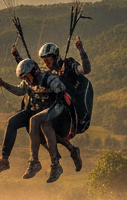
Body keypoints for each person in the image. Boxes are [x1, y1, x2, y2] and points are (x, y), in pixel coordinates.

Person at [0, 57, 68, 183]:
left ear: (34, 72)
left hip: (52, 109)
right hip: (34, 110)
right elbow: (20, 91)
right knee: (12, 122)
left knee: (34, 120)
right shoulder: (28, 82)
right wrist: (4, 84)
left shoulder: (49, 79)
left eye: (27, 77)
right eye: (24, 79)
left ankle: (44, 163)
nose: (26, 80)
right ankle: (4, 159)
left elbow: (61, 90)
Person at [37, 36, 91, 171]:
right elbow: (32, 76)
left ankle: (63, 155)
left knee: (45, 124)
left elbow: (85, 70)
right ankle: (70, 151)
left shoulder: (68, 64)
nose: (47, 63)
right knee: (38, 126)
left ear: (55, 57)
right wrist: (17, 58)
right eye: (44, 61)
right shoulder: (49, 74)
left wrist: (81, 50)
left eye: (49, 60)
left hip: (76, 114)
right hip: (61, 112)